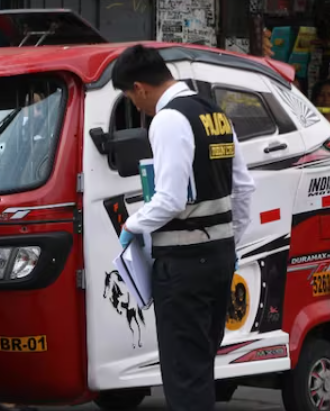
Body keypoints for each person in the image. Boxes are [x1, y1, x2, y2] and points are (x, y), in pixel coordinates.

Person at [112, 45, 255, 411]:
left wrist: (132, 224)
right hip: (218, 260)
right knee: (200, 366)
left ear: (140, 87)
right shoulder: (215, 114)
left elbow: (171, 199)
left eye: (130, 96)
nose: (136, 105)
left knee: (184, 375)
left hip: (184, 268)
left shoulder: (168, 120)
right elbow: (243, 188)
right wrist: (230, 243)